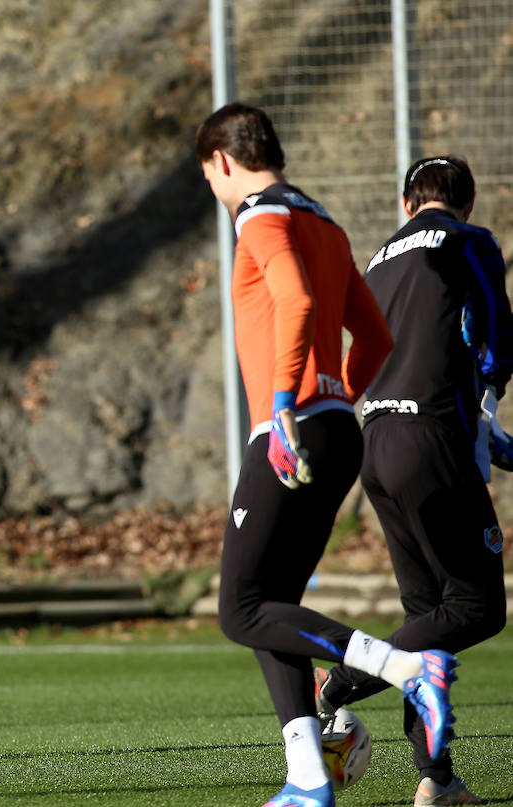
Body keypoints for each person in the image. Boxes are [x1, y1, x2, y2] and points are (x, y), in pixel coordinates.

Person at [196, 102, 458, 807]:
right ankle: (309, 777)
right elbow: (374, 339)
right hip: (337, 426)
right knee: (269, 606)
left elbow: (297, 299)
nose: (217, 197)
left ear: (223, 161)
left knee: (237, 609)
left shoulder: (259, 212)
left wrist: (286, 403)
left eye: (210, 181)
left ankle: (406, 667)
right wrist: (338, 396)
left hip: (293, 425)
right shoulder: (327, 220)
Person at [313, 155, 510, 806]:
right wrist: (489, 397)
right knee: (476, 610)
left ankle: (438, 777)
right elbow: (492, 331)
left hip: (377, 439)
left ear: (406, 205)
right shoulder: (468, 241)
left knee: (429, 615)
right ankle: (342, 678)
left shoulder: (380, 257)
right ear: (469, 203)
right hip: (432, 440)